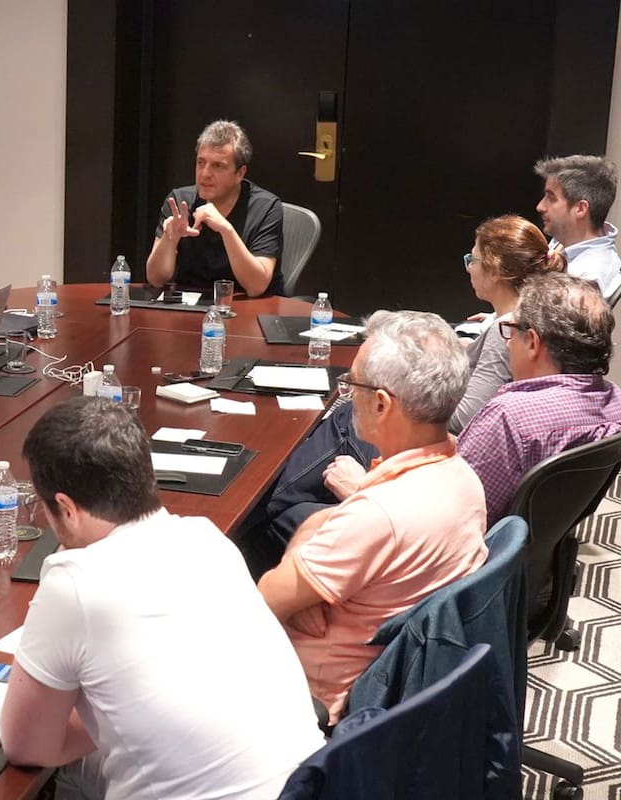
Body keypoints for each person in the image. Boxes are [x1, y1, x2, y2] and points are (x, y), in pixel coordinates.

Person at [0, 396, 324, 800]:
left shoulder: (75, 585)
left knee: (58, 776)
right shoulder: (206, 538)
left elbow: (27, 747)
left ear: (66, 508)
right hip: (310, 786)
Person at [262, 215, 564, 545]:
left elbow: (463, 416)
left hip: (434, 450)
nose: (468, 268)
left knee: (347, 417)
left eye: (473, 260)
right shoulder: (518, 318)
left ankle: (268, 504)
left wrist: (413, 395)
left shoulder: (504, 331)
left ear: (495, 271)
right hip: (444, 467)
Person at [258, 310, 488, 723]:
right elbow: (322, 526)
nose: (347, 394)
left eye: (353, 384)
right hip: (393, 678)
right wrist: (307, 565)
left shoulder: (376, 515)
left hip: (309, 692)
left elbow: (265, 603)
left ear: (381, 403)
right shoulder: (465, 479)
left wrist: (296, 576)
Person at [460, 273, 621, 524]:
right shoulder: (616, 401)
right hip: (547, 532)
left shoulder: (507, 418)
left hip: (482, 542)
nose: (507, 345)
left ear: (533, 342)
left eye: (510, 331)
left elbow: (459, 513)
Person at [146, 119, 284, 296]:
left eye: (218, 166)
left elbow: (256, 287)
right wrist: (169, 239)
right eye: (201, 163)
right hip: (191, 303)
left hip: (250, 305)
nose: (205, 174)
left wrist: (226, 229)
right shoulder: (179, 203)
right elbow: (155, 279)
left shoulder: (266, 207)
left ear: (240, 173)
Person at [535, 155, 621, 297]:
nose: (540, 206)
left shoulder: (587, 277)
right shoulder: (566, 239)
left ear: (580, 209)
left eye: (551, 197)